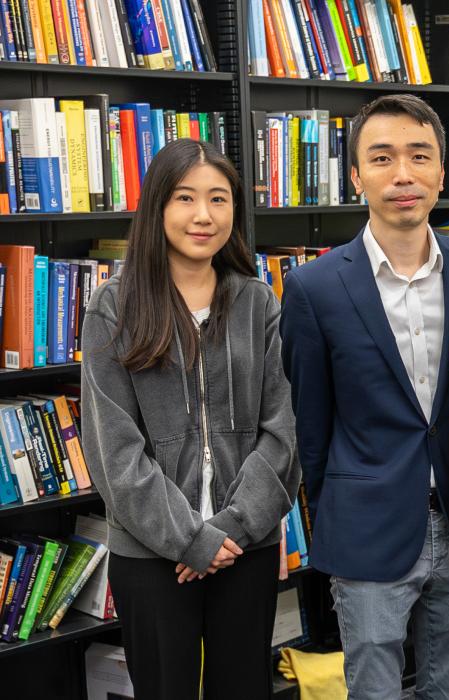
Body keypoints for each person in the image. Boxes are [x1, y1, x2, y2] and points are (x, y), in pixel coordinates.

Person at [279, 94, 449, 699]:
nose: (403, 174)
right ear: (356, 176)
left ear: (441, 174)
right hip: (365, 527)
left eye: (419, 157)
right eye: (382, 158)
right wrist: (340, 507)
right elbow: (309, 429)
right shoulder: (314, 288)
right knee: (372, 690)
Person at [80, 138, 300, 698]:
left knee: (245, 687)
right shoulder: (114, 305)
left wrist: (229, 530)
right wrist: (187, 539)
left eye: (219, 199)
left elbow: (284, 430)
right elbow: (114, 450)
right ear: (157, 208)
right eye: (185, 198)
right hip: (152, 556)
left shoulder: (258, 302)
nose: (203, 215)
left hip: (244, 549)